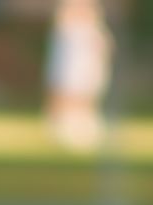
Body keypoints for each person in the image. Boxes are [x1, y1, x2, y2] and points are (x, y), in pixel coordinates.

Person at [45, 0, 115, 153]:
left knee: (85, 84)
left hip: (85, 49)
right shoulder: (68, 26)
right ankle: (63, 124)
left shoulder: (91, 23)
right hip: (72, 46)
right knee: (68, 82)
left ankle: (82, 122)